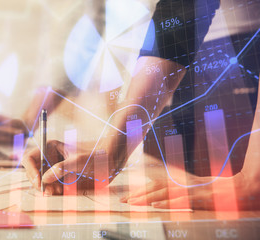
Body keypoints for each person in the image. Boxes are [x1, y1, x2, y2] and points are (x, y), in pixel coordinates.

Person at [22, 0, 260, 211]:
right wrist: (111, 153)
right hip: (179, 89)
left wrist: (252, 179)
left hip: (240, 75)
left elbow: (182, 9)